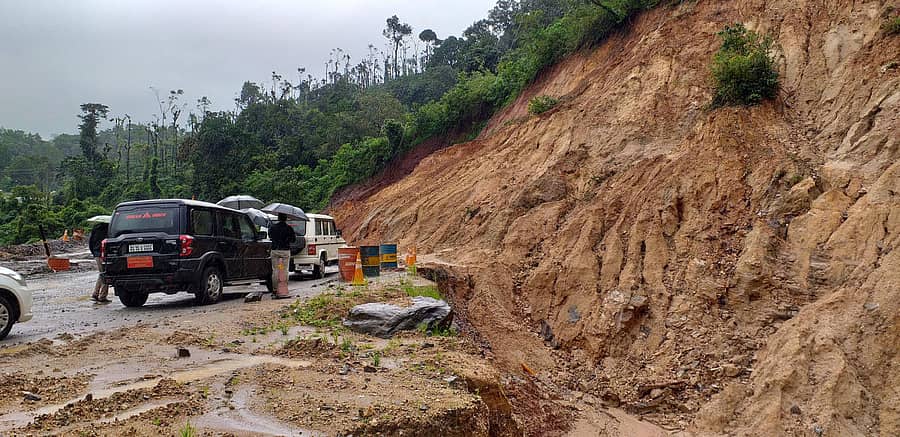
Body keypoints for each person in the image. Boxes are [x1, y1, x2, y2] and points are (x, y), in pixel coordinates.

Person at [267, 213, 296, 299]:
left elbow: (270, 236)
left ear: (278, 218)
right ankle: (284, 288)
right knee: (284, 270)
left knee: (275, 270)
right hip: (285, 251)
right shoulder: (289, 228)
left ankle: (275, 290)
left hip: (275, 250)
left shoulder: (273, 227)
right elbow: (293, 240)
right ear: (286, 219)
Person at [88, 222, 110, 303]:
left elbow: (90, 243)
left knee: (102, 274)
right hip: (105, 255)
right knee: (106, 274)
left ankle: (96, 294)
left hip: (97, 254)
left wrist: (94, 252)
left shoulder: (95, 229)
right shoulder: (108, 230)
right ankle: (102, 296)